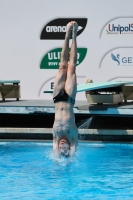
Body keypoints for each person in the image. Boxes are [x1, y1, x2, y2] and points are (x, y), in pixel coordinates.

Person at [52, 21, 78, 157]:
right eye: (64, 146)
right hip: (69, 100)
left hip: (57, 99)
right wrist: (69, 161)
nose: (62, 144)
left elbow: (55, 154)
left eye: (60, 146)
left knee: (62, 66)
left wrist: (57, 162)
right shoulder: (73, 135)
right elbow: (74, 153)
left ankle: (66, 36)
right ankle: (74, 36)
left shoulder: (56, 138)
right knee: (72, 67)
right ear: (69, 147)